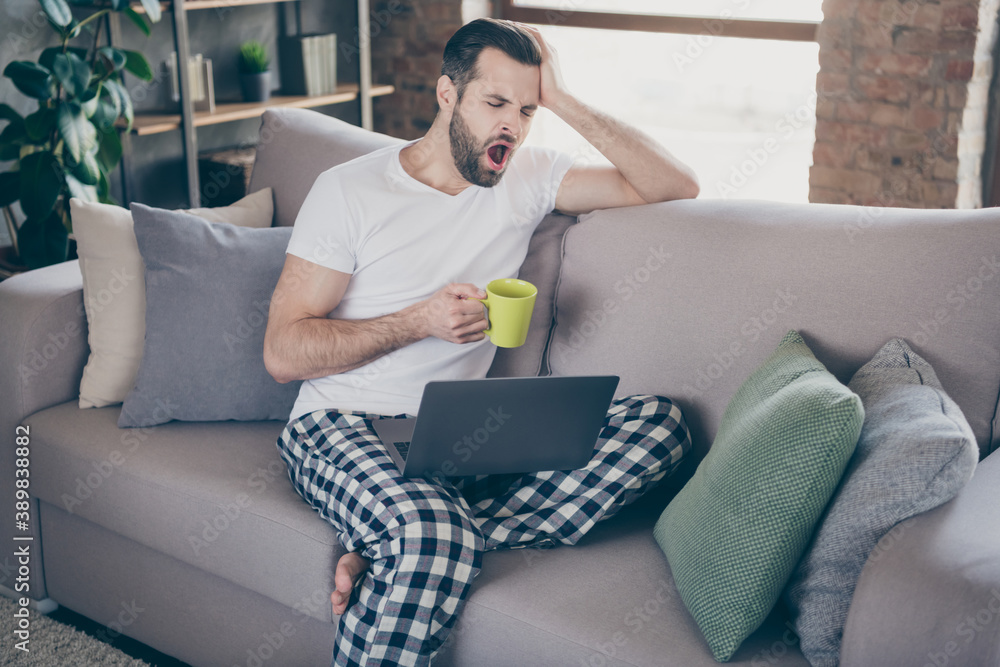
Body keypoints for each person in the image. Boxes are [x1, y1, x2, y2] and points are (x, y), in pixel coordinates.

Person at [263, 18, 699, 667]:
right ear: (447, 94)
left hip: (460, 438)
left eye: (525, 110)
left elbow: (675, 185)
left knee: (661, 427)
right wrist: (418, 321)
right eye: (495, 103)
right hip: (339, 423)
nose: (511, 126)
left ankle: (398, 538)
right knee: (433, 535)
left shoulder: (527, 177)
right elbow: (282, 353)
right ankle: (419, 533)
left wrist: (566, 100)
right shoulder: (352, 191)